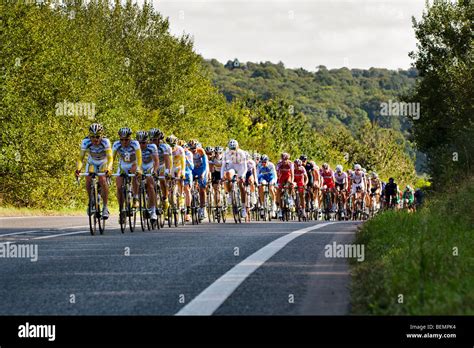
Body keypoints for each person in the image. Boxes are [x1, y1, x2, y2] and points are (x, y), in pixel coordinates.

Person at [75, 123, 113, 219]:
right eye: (92, 137)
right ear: (89, 135)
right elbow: (81, 158)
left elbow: (110, 158)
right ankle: (91, 200)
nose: (95, 139)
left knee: (102, 179)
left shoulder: (106, 142)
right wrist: (78, 169)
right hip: (92, 161)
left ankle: (105, 207)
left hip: (103, 162)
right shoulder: (85, 141)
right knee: (88, 178)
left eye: (97, 136)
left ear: (102, 135)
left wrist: (108, 168)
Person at [112, 127, 142, 223]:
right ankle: (121, 211)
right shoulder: (116, 144)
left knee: (135, 173)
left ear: (130, 138)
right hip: (123, 164)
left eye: (126, 140)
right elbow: (111, 158)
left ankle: (136, 197)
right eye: (122, 139)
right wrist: (108, 168)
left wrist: (138, 168)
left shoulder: (135, 144)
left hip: (134, 163)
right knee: (119, 187)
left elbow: (139, 157)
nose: (124, 142)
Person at [221, 139, 248, 217]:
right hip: (232, 168)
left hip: (240, 169)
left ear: (237, 147)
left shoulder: (242, 153)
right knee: (228, 174)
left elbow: (245, 167)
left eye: (234, 149)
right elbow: (223, 167)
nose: (232, 150)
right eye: (231, 149)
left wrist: (242, 176)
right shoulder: (226, 153)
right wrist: (222, 177)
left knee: (241, 186)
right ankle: (230, 194)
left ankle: (243, 208)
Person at [136, 131, 159, 221]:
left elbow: (156, 161)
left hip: (149, 165)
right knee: (136, 179)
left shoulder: (152, 147)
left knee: (150, 185)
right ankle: (136, 198)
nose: (141, 145)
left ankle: (153, 210)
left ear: (148, 141)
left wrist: (155, 171)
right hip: (140, 165)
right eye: (139, 143)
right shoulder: (135, 147)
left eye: (144, 143)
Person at [189, 139, 209, 220]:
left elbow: (205, 165)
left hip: (201, 169)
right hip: (193, 169)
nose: (193, 151)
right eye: (191, 149)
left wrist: (203, 174)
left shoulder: (201, 151)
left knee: (202, 189)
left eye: (194, 149)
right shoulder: (187, 152)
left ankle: (202, 208)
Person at [276, 152, 294, 218]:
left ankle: (290, 197)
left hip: (288, 176)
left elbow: (292, 174)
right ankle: (280, 209)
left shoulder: (290, 164)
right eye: (283, 159)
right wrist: (277, 182)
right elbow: (277, 173)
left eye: (286, 159)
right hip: (281, 177)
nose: (284, 161)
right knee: (279, 191)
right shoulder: (279, 164)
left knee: (290, 183)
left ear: (288, 159)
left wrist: (292, 181)